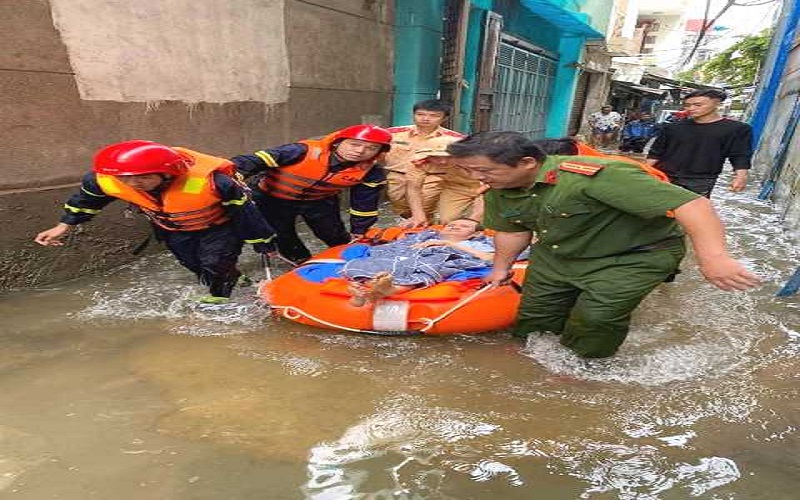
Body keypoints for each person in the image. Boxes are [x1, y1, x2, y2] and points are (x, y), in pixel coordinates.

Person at [447, 131, 760, 359]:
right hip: (559, 255)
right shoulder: (501, 185)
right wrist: (499, 270)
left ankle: (584, 372)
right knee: (535, 318)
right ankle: (531, 366)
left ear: (528, 162)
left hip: (631, 257)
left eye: (484, 170)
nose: (477, 178)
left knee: (596, 320)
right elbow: (512, 230)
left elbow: (692, 205)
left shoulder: (595, 176)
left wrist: (714, 258)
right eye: (468, 171)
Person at [34, 140, 276, 304]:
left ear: (167, 173)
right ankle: (233, 278)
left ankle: (219, 299)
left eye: (143, 178)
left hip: (218, 228)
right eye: (126, 180)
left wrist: (262, 241)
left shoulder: (215, 182)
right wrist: (63, 226)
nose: (132, 185)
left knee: (214, 261)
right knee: (192, 263)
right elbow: (86, 201)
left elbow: (246, 212)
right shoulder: (105, 180)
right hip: (172, 229)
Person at [230, 125, 392, 265]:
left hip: (320, 200)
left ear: (379, 152)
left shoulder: (372, 172)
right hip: (272, 197)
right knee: (282, 233)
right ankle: (300, 260)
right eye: (354, 144)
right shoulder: (301, 151)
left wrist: (360, 229)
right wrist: (235, 178)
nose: (360, 151)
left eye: (371, 148)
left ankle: (349, 259)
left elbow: (364, 205)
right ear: (338, 142)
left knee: (333, 233)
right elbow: (250, 162)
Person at [343, 218, 494, 306]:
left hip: (440, 257)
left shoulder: (477, 243)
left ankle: (380, 290)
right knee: (378, 261)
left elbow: (489, 258)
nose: (455, 226)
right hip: (407, 255)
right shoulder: (423, 236)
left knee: (427, 266)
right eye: (451, 225)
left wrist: (448, 245)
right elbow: (394, 247)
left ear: (476, 233)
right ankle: (370, 291)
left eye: (464, 226)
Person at [647, 89, 753, 197]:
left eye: (698, 105)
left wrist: (741, 177)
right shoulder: (673, 127)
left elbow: (740, 155)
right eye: (687, 105)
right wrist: (644, 172)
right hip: (663, 175)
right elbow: (656, 152)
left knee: (691, 211)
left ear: (717, 103)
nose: (691, 108)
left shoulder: (737, 129)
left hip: (701, 180)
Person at [384, 100, 465, 219]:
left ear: (444, 118)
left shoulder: (455, 139)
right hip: (398, 175)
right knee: (399, 205)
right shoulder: (392, 133)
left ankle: (424, 227)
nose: (426, 119)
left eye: (434, 116)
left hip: (433, 176)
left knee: (425, 204)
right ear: (413, 114)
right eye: (420, 114)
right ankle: (411, 225)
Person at [404, 148, 484, 228]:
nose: (443, 161)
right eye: (436, 157)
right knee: (447, 220)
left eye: (448, 157)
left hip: (487, 186)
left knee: (480, 219)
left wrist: (475, 217)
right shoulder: (418, 163)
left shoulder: (475, 159)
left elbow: (488, 182)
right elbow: (413, 189)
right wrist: (418, 215)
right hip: (456, 187)